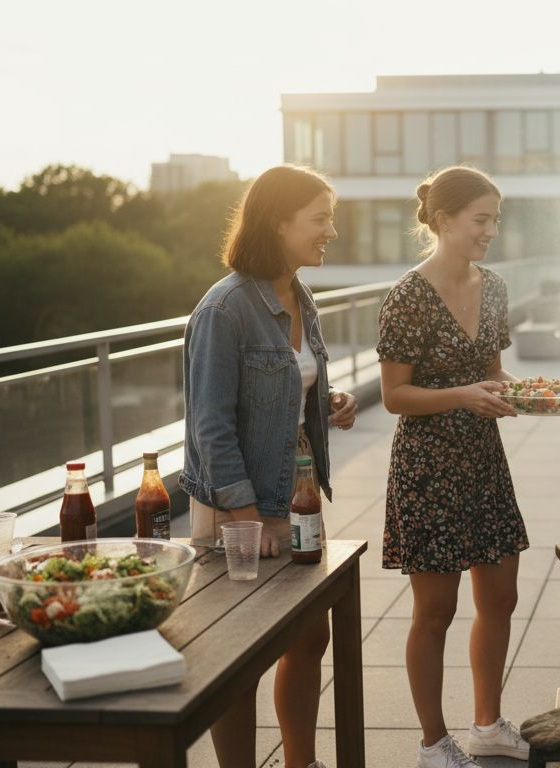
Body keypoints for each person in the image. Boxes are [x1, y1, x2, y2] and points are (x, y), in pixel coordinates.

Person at [182, 164, 359, 768]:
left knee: (310, 635)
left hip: (298, 496)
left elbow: (288, 382)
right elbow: (212, 426)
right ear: (278, 222)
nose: (330, 230)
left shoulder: (300, 295)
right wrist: (251, 519)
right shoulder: (224, 309)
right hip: (243, 512)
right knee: (239, 658)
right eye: (320, 218)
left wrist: (324, 401)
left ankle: (300, 764)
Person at [377, 165, 531, 768]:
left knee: (501, 598)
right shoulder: (406, 297)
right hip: (427, 468)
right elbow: (395, 396)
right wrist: (465, 394)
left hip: (483, 461)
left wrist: (533, 395)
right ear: (444, 221)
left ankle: (488, 724)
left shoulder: (493, 287)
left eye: (495, 219)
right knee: (434, 612)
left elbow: (493, 372)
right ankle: (433, 744)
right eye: (481, 220)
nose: (491, 230)